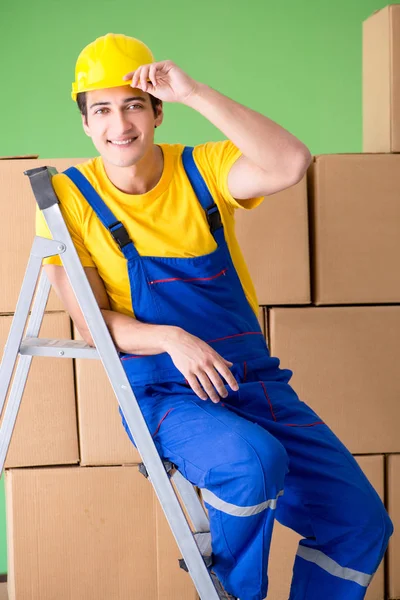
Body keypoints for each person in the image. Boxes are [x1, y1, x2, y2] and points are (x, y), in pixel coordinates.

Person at [36, 33, 393, 600]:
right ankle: (233, 591)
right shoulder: (67, 198)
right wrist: (172, 338)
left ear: (157, 111)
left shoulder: (201, 169)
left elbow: (290, 163)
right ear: (85, 123)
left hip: (254, 383)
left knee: (361, 524)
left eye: (132, 104)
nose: (119, 123)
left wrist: (195, 92)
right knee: (252, 464)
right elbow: (92, 322)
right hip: (167, 394)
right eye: (101, 109)